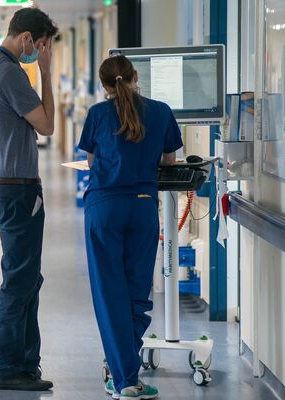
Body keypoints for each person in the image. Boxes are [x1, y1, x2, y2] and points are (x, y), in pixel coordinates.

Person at [79, 54, 183, 400]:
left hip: (104, 209)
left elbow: (93, 162)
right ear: (136, 77)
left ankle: (123, 378)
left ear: (104, 85)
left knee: (110, 294)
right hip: (142, 207)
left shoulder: (96, 114)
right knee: (137, 295)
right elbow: (168, 162)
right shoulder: (161, 111)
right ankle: (125, 372)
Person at [0, 6, 58, 391]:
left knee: (25, 277)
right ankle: (8, 367)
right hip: (17, 188)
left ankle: (25, 363)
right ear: (25, 39)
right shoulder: (11, 72)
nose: (40, 52)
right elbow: (48, 125)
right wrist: (46, 73)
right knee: (19, 281)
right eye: (40, 46)